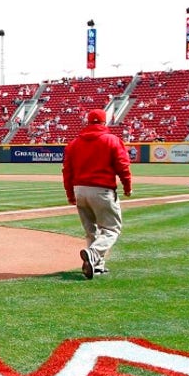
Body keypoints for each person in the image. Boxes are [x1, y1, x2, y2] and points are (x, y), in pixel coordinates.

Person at [62, 109, 132, 280]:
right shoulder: (112, 140)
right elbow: (122, 166)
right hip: (102, 190)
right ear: (104, 122)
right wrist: (127, 186)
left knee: (90, 230)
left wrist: (70, 194)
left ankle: (97, 265)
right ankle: (93, 254)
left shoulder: (74, 143)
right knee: (111, 229)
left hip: (80, 190)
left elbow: (67, 172)